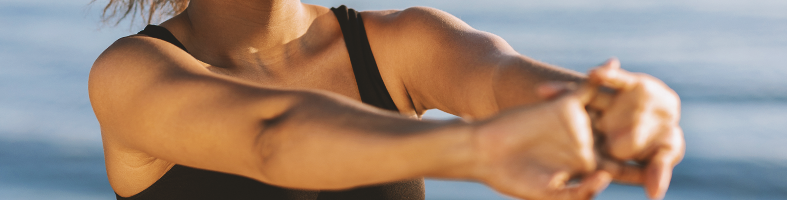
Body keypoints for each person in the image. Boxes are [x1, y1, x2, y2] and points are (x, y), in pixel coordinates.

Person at [88, 0, 685, 199]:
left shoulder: (402, 42)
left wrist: (609, 107)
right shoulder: (132, 75)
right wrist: (474, 152)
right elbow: (271, 138)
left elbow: (500, 79)